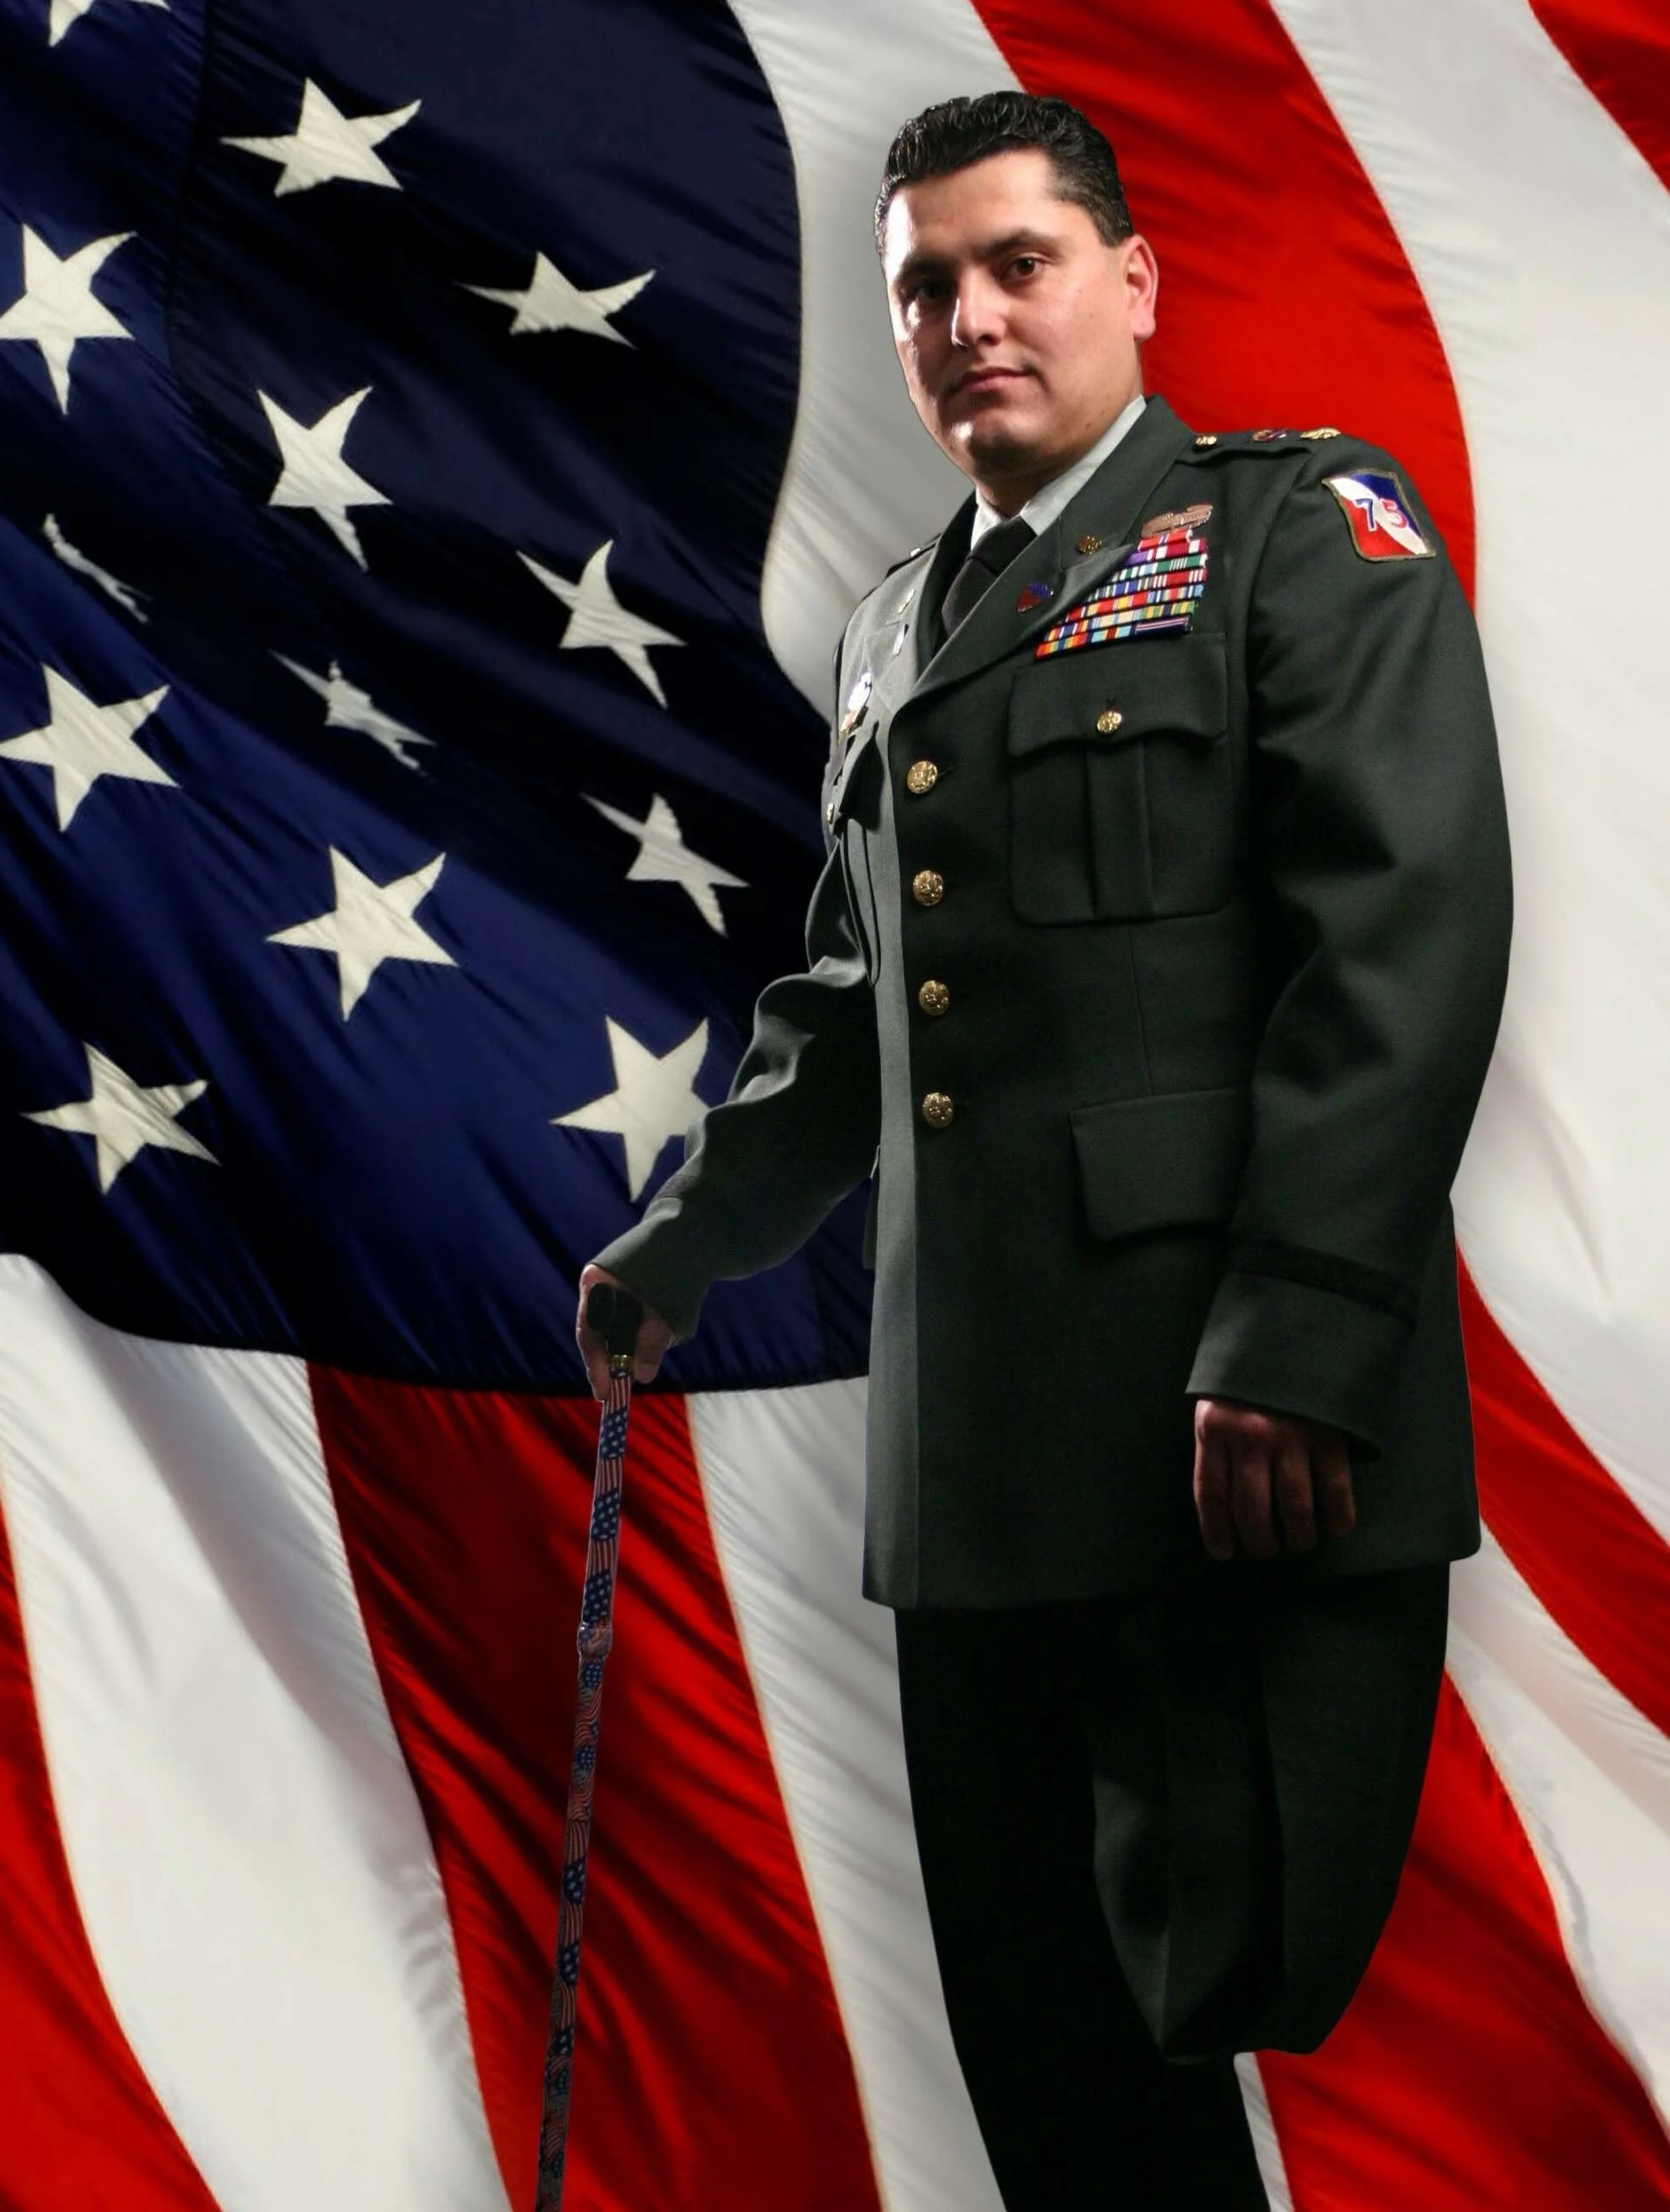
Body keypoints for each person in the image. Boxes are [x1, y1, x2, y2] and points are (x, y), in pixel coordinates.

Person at [575, 91, 1511, 2210]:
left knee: (1227, 1970)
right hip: (980, 1457)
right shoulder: (902, 624)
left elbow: (1401, 935)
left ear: (1129, 284)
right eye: (925, 285)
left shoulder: (1292, 530)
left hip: (1228, 1430)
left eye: (1016, 263)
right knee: (1055, 2067)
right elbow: (856, 994)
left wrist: (1297, 1327)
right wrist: (686, 1237)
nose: (969, 317)